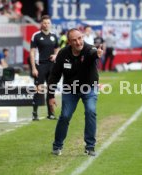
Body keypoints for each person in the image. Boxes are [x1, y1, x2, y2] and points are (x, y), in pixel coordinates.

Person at [47, 28, 103, 156]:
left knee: (90, 111)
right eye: (74, 40)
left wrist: (97, 54)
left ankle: (90, 146)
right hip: (70, 89)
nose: (78, 42)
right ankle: (57, 145)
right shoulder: (63, 54)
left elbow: (93, 53)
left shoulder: (90, 49)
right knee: (65, 115)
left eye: (80, 38)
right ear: (69, 42)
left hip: (89, 88)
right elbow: (54, 76)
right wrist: (50, 96)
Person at [30, 15, 59, 121]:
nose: (46, 24)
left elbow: (57, 49)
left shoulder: (54, 36)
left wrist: (56, 55)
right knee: (39, 89)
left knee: (51, 89)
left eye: (48, 23)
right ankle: (34, 113)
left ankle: (50, 113)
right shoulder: (36, 36)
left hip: (51, 66)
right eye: (44, 23)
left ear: (50, 24)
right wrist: (34, 68)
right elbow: (32, 53)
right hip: (40, 65)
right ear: (41, 24)